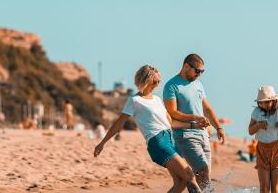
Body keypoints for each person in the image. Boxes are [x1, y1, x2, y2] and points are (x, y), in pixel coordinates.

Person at [94, 65, 203, 192]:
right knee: (189, 175)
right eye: (155, 81)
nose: (158, 84)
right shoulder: (135, 100)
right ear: (146, 80)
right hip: (158, 142)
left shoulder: (157, 99)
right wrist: (102, 143)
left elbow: (171, 123)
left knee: (181, 181)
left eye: (159, 81)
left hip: (170, 140)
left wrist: (194, 125)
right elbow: (118, 124)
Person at [163, 54, 226, 192]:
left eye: (202, 72)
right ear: (186, 66)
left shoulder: (198, 85)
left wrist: (219, 127)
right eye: (197, 71)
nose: (199, 74)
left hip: (203, 135)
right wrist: (195, 118)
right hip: (185, 135)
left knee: (203, 175)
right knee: (202, 170)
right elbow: (172, 113)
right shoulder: (171, 85)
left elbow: (207, 108)